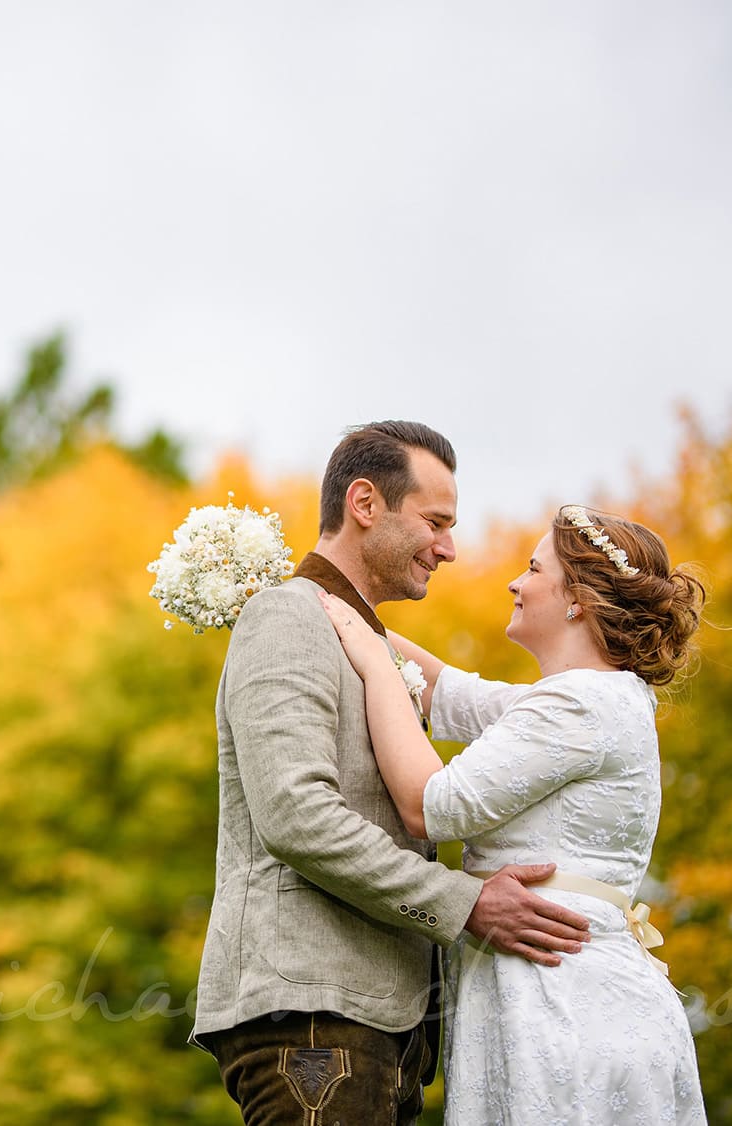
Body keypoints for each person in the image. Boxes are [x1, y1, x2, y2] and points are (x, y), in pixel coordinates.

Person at [191, 421, 593, 1126]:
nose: (450, 548)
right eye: (435, 522)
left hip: (379, 1029)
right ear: (366, 503)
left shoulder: (362, 637)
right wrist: (464, 902)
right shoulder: (286, 618)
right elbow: (295, 815)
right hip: (313, 1017)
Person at [316, 504, 709, 1123]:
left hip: (560, 999)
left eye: (532, 568)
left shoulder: (581, 706)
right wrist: (321, 603)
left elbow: (428, 806)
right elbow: (445, 691)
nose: (515, 583)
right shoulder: (592, 700)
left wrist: (368, 659)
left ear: (577, 599)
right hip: (556, 987)